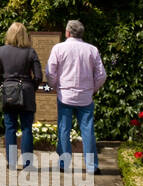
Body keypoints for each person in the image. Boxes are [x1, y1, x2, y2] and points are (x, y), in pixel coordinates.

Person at [46, 20, 107, 175]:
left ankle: (64, 164)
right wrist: (93, 89)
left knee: (64, 130)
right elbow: (101, 75)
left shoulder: (59, 48)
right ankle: (92, 166)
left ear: (67, 32)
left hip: (65, 95)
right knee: (87, 131)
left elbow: (50, 72)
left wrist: (55, 87)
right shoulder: (92, 50)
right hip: (85, 96)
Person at [0, 22, 42, 169]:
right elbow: (38, 76)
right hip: (26, 92)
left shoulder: (2, 51)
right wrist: (30, 87)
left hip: (9, 92)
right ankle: (27, 163)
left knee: (10, 127)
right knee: (27, 128)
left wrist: (4, 86)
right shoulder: (31, 52)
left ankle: (12, 162)